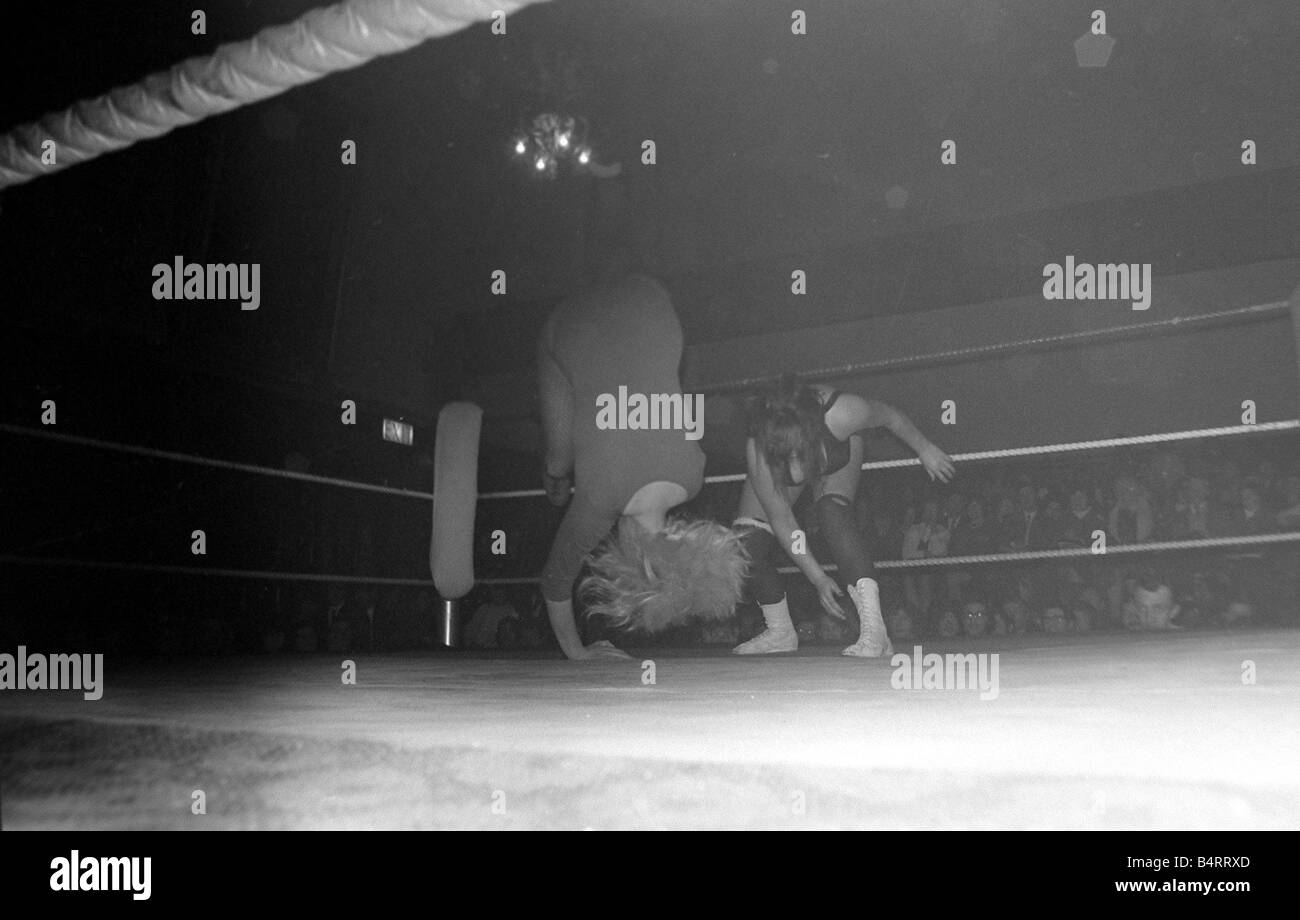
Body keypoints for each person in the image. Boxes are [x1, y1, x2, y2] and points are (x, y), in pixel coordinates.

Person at [537, 272, 746, 661]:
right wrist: (578, 652)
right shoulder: (599, 502)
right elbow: (554, 582)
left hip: (652, 296)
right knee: (558, 453)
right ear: (626, 556)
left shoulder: (694, 475)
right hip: (568, 322)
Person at [731, 376, 954, 656]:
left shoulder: (843, 412)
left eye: (797, 453)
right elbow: (783, 520)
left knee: (831, 511)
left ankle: (875, 630)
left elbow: (890, 417)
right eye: (785, 456)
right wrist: (817, 577)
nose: (795, 465)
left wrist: (924, 448)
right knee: (745, 544)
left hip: (834, 450)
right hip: (791, 454)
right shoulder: (760, 450)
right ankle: (780, 632)